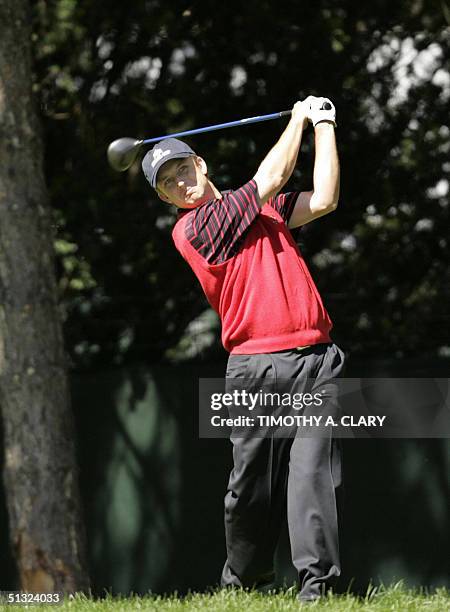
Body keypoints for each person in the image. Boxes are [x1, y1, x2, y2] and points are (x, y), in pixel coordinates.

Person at [142, 96, 346, 602]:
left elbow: (323, 200)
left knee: (313, 477)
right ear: (166, 199)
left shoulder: (258, 207)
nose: (182, 185)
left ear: (200, 163)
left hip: (316, 360)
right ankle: (245, 579)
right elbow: (270, 180)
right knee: (251, 489)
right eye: (169, 184)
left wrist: (324, 125)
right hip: (254, 368)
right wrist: (297, 117)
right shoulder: (196, 229)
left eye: (183, 170)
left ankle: (316, 588)